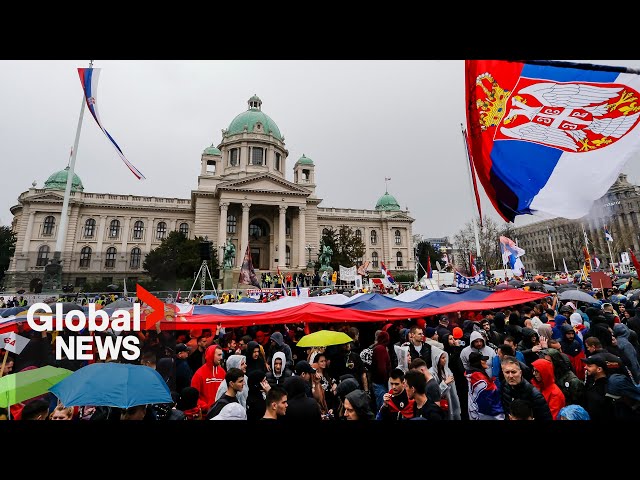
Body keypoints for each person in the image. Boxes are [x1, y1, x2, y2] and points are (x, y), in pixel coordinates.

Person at [500, 355, 553, 421]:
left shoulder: (534, 394)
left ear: (520, 372)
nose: (510, 376)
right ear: (503, 373)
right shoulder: (504, 386)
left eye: (513, 372)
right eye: (507, 372)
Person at [465, 352, 504, 420]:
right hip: (484, 414)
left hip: (474, 410)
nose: (486, 361)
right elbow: (490, 400)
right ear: (478, 362)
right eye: (483, 360)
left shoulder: (471, 374)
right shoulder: (481, 381)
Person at [191, 344, 226, 413]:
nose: (221, 357)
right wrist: (207, 407)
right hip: (206, 414)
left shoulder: (223, 372)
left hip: (221, 412)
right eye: (219, 355)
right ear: (211, 355)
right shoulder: (199, 374)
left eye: (221, 355)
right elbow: (194, 397)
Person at [429, 348, 461, 420]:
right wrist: (445, 383)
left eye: (445, 357)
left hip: (449, 402)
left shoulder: (447, 370)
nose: (445, 360)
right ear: (437, 359)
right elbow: (434, 392)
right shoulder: (432, 373)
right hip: (438, 405)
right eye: (443, 358)